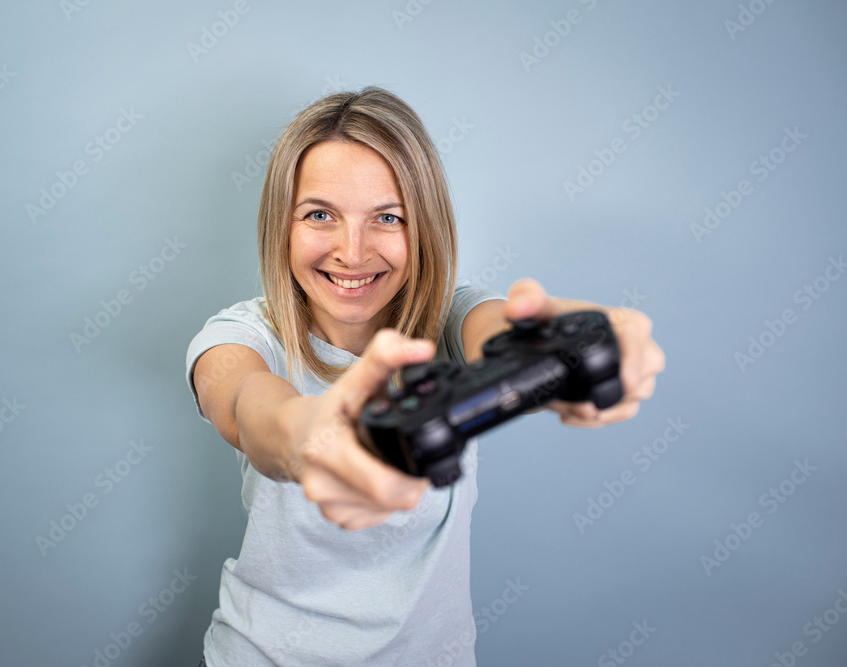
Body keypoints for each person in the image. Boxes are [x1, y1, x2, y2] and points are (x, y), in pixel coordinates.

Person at [186, 86, 664, 666]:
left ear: (424, 228)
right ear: (280, 226)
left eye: (387, 218)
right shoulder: (240, 336)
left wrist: (570, 346)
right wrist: (305, 435)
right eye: (319, 215)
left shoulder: (455, 316)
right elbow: (245, 403)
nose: (352, 251)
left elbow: (507, 334)